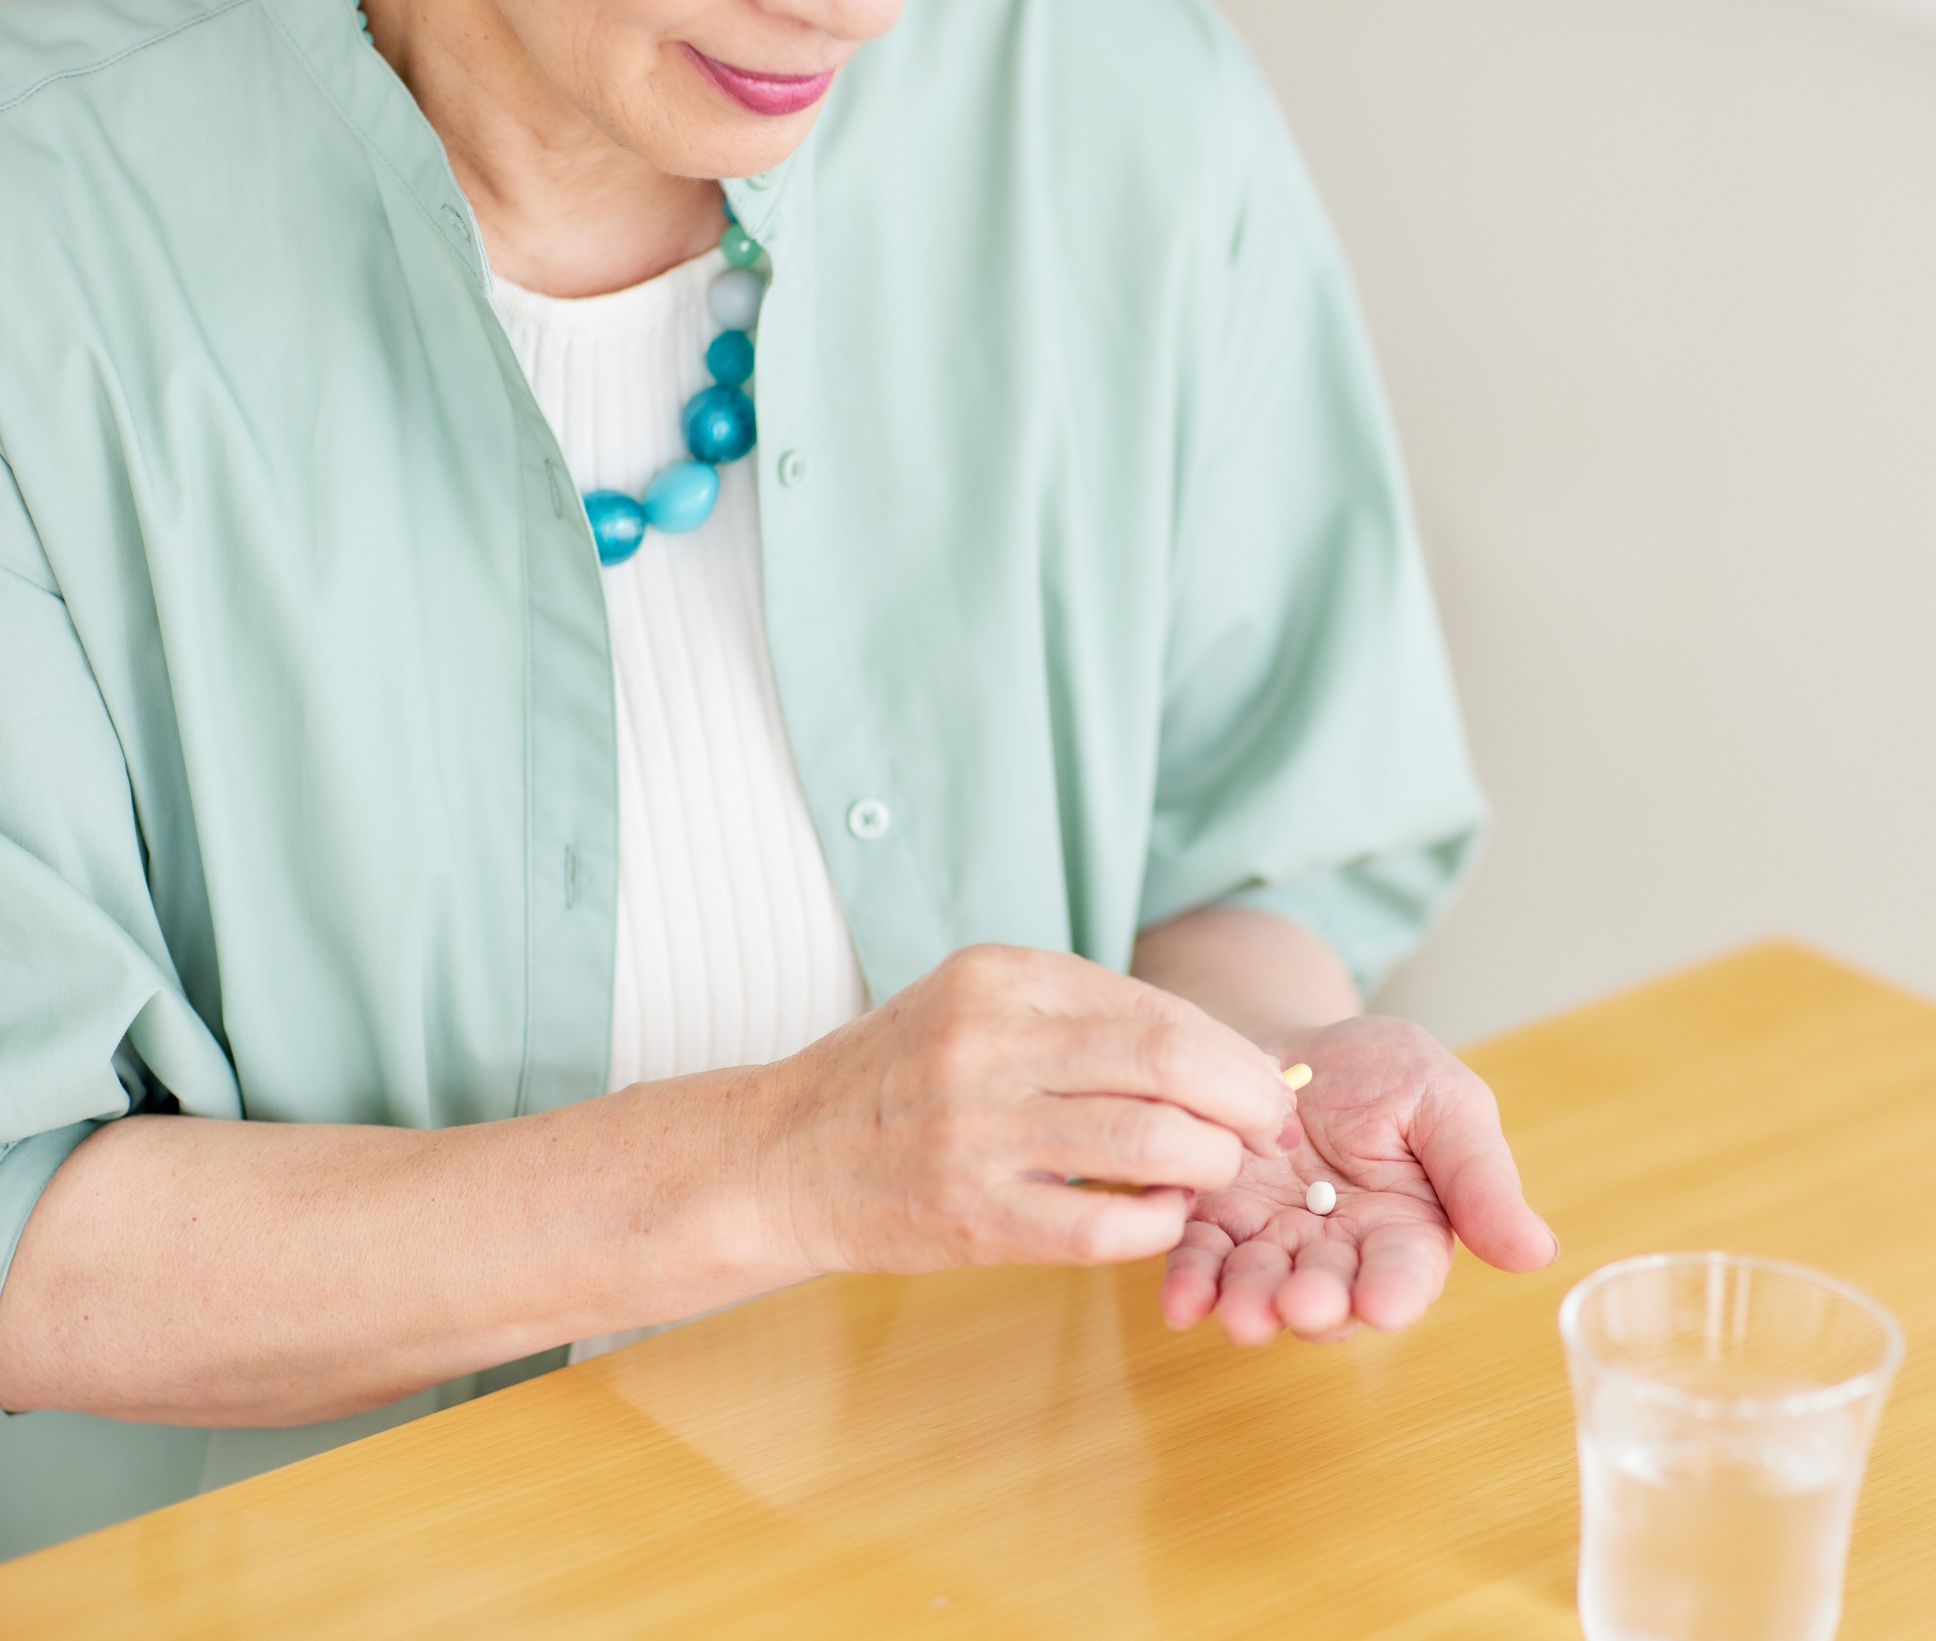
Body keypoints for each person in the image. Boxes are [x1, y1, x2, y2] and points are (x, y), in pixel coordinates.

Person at [0, 0, 1556, 1557]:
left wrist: (1254, 1078)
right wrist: (792, 1163)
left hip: (985, 1551)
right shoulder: (52, 214)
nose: (859, 13)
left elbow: (1242, 850)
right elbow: (30, 1246)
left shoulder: (1115, 90)